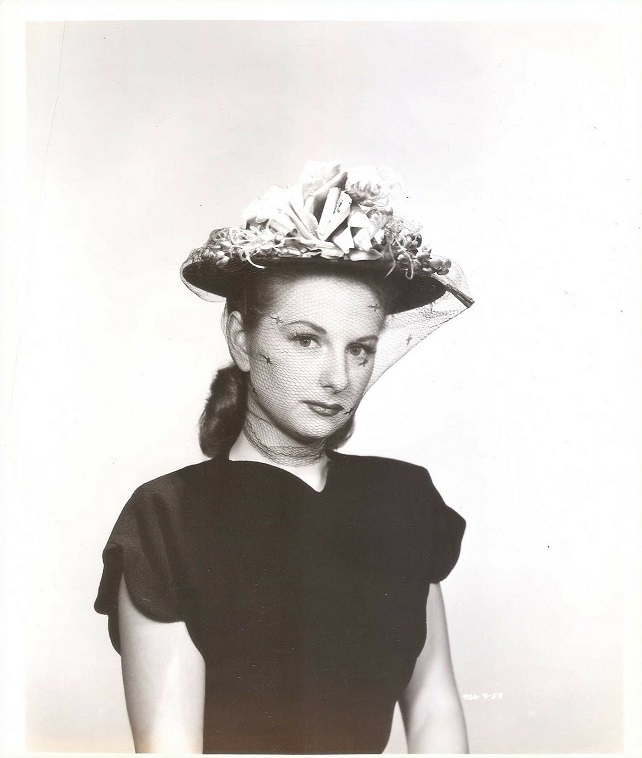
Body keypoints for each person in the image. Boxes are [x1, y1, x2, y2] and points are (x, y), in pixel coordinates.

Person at [95, 161, 474, 754]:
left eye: (360, 349)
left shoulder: (403, 499)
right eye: (305, 339)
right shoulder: (169, 516)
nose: (337, 378)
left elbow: (434, 708)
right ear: (241, 339)